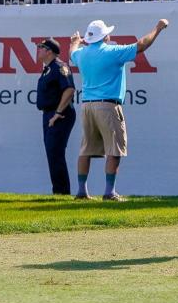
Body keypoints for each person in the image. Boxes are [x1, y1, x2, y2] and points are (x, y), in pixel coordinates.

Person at [70, 18, 169, 201]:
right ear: (105, 36)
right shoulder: (112, 52)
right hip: (107, 106)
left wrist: (75, 41)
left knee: (86, 149)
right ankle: (109, 192)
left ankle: (82, 191)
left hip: (87, 105)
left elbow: (72, 52)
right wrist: (158, 28)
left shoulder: (81, 54)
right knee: (114, 150)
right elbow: (141, 46)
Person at [35, 38, 77, 195]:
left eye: (41, 47)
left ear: (49, 51)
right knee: (52, 153)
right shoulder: (47, 69)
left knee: (55, 152)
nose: (38, 49)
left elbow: (69, 89)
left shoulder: (60, 67)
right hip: (49, 114)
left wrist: (58, 113)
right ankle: (58, 191)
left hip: (60, 115)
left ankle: (62, 192)